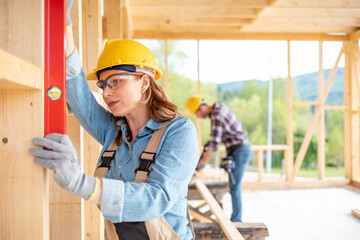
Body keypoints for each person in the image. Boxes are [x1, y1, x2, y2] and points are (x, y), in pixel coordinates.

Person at [29, 1, 199, 239]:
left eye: (117, 81)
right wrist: (64, 25)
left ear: (144, 83)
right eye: (103, 85)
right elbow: (79, 94)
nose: (106, 92)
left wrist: (81, 183)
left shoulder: (179, 131)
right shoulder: (114, 133)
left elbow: (156, 199)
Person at [186, 96, 252, 222]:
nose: (198, 117)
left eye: (197, 113)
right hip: (237, 150)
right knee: (234, 186)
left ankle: (237, 220)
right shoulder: (218, 108)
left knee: (235, 186)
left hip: (240, 151)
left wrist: (201, 164)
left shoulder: (217, 115)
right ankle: (236, 218)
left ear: (201, 107)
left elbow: (214, 145)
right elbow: (215, 139)